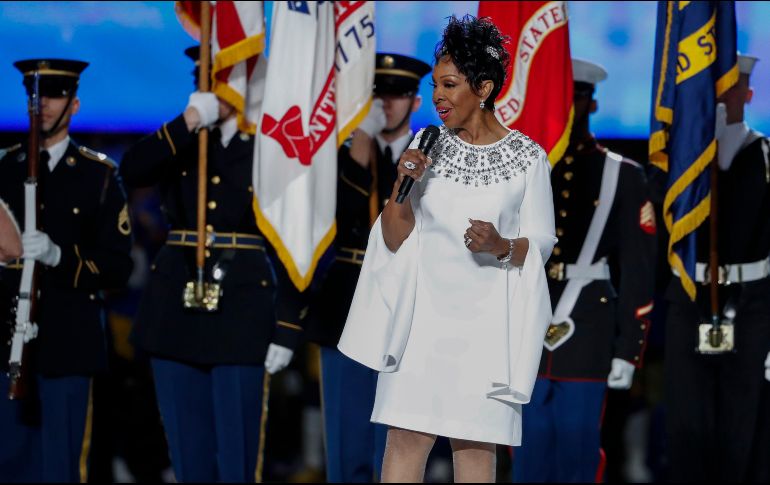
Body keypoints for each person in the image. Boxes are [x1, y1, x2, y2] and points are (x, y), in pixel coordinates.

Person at [337, 15, 557, 483]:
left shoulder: (528, 158)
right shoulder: (426, 144)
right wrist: (403, 181)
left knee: (475, 451)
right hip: (421, 324)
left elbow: (541, 246)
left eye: (450, 84)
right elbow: (395, 237)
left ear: (484, 88)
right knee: (404, 441)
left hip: (486, 330)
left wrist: (501, 244)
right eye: (435, 84)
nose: (438, 95)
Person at [118, 46, 305, 483]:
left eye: (222, 80)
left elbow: (295, 243)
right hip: (175, 311)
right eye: (205, 80)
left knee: (238, 459)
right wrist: (187, 124)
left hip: (243, 312)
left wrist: (288, 323)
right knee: (188, 457)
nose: (213, 91)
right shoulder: (182, 140)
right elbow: (131, 170)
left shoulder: (270, 150)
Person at [511, 58, 657, 483]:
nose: (569, 109)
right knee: (527, 446)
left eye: (576, 99)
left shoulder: (623, 175)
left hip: (588, 325)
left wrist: (629, 347)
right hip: (526, 319)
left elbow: (637, 266)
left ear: (590, 104)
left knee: (578, 447)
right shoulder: (523, 168)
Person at [0, 58, 134, 482]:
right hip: (6, 341)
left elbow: (117, 266)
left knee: (61, 467)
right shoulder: (4, 168)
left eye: (56, 95)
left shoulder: (98, 176)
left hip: (68, 343)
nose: (44, 105)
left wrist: (62, 257)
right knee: (9, 463)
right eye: (36, 95)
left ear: (74, 104)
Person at [307, 52, 431, 482]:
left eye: (397, 95)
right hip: (347, 304)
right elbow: (335, 218)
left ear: (416, 102)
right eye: (378, 94)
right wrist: (360, 145)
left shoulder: (434, 159)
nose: (386, 104)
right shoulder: (342, 154)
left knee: (398, 442)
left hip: (409, 306)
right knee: (346, 442)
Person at [660, 53, 770, 482]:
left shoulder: (764, 156)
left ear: (749, 93)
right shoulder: (682, 161)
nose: (725, 96)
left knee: (746, 423)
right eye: (717, 87)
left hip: (753, 305)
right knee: (686, 424)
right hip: (690, 298)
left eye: (733, 87)